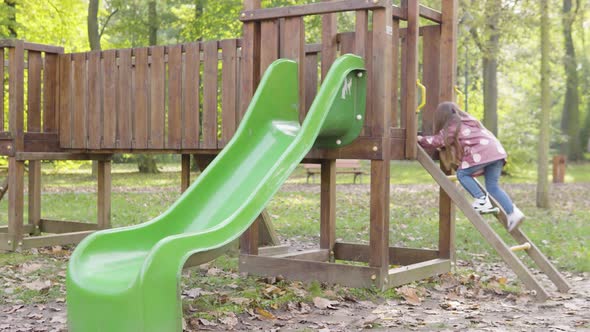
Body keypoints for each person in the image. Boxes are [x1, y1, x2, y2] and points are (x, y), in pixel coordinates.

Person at [417, 101, 525, 232]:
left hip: (484, 152)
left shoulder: (453, 124)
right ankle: (513, 212)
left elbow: (439, 140)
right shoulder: (469, 120)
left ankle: (481, 199)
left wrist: (419, 139)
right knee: (493, 186)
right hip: (497, 152)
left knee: (462, 174)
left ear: (442, 116)